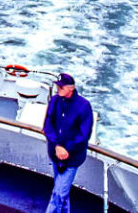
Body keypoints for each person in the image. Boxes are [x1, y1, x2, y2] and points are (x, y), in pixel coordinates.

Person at [42, 73, 94, 213]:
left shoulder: (83, 106)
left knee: (58, 194)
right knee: (61, 192)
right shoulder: (55, 101)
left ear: (71, 88)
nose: (58, 89)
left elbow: (84, 134)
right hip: (55, 155)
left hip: (72, 159)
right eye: (57, 86)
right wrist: (57, 146)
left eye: (61, 86)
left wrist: (67, 150)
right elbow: (48, 124)